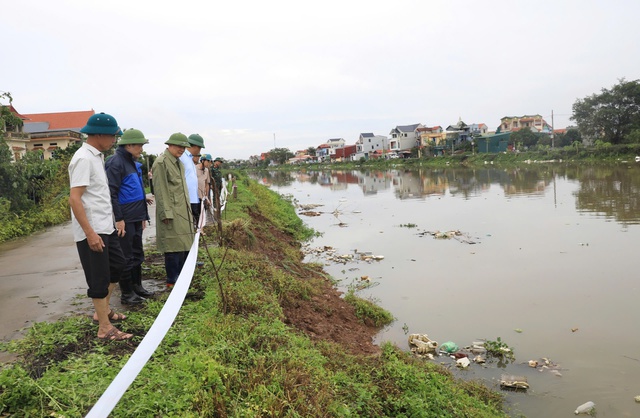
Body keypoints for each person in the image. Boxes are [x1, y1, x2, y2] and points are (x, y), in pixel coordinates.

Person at [68, 112, 132, 341]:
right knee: (98, 278)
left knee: (117, 266)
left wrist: (114, 221)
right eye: (113, 136)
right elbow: (75, 198)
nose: (115, 140)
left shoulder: (97, 157)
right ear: (98, 134)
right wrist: (89, 233)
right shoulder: (83, 158)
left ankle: (101, 312)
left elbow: (98, 196)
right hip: (93, 230)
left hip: (106, 227)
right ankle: (104, 328)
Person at [105, 128, 154, 305]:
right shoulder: (115, 163)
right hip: (125, 217)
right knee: (125, 256)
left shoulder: (132, 162)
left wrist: (143, 208)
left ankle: (137, 286)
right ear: (129, 145)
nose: (141, 149)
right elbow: (112, 193)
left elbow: (133, 189)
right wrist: (119, 219)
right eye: (140, 145)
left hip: (136, 215)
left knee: (136, 253)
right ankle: (126, 293)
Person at [152, 133, 195, 288]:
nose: (182, 150)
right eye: (179, 146)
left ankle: (183, 279)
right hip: (171, 212)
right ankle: (172, 281)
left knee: (184, 245)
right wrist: (166, 213)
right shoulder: (161, 163)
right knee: (172, 247)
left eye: (184, 147)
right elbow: (161, 190)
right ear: (169, 145)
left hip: (183, 211)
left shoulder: (179, 163)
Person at [179, 133, 206, 228]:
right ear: (195, 146)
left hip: (194, 197)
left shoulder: (190, 159)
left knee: (195, 223)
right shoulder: (182, 157)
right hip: (187, 198)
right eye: (200, 148)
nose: (199, 150)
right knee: (189, 223)